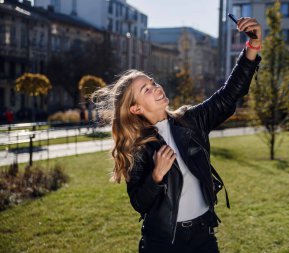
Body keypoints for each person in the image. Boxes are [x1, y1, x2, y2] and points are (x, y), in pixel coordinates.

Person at [92, 17, 262, 253]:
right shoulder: (138, 147)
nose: (157, 88)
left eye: (153, 83)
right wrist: (156, 175)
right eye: (147, 90)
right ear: (136, 108)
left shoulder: (191, 121)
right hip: (164, 242)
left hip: (204, 235)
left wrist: (251, 49)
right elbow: (139, 203)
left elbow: (228, 95)